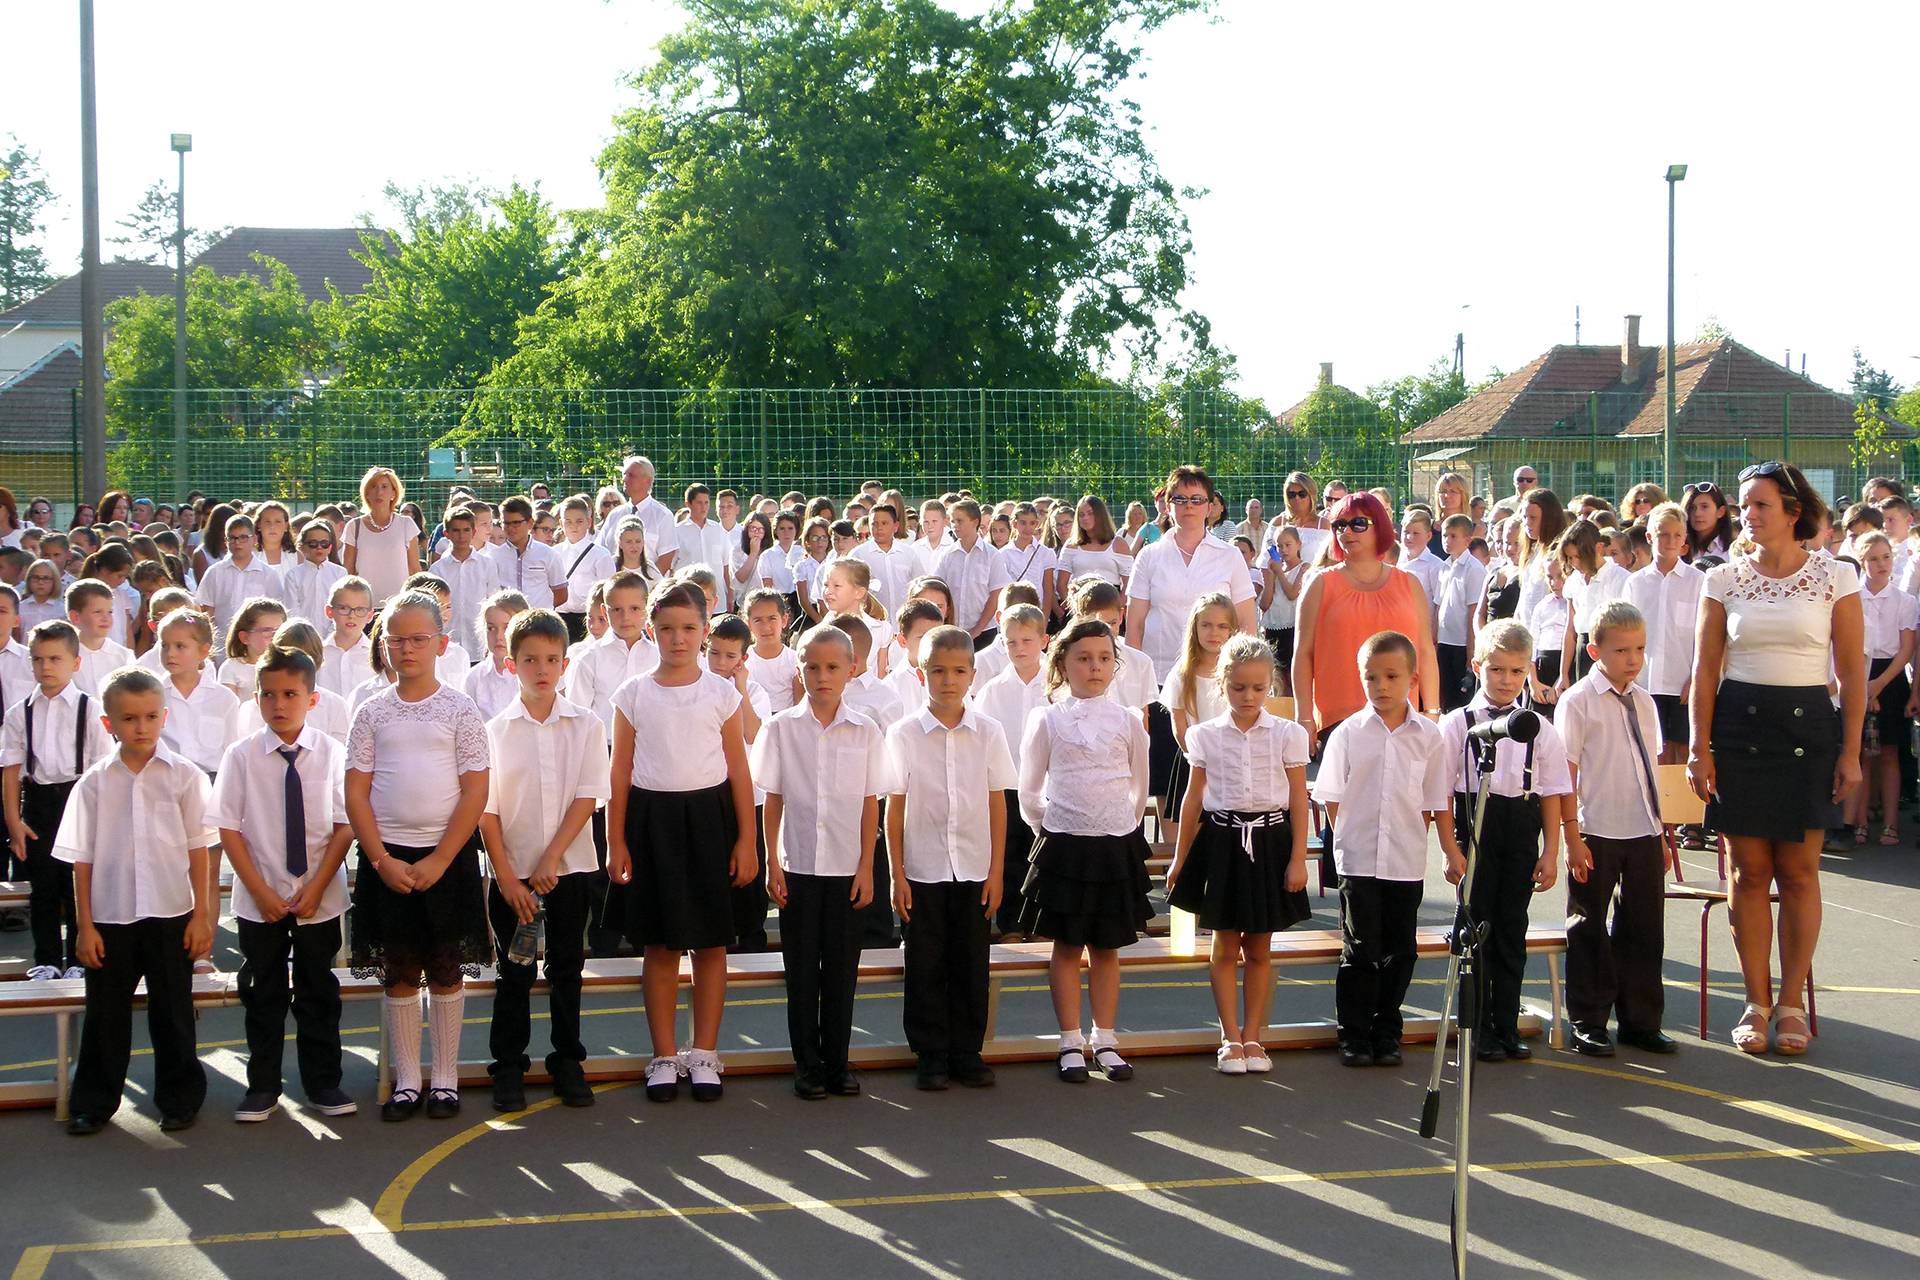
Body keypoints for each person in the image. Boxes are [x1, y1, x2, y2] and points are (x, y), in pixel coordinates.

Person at [1690, 462, 1862, 1057]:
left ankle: (1791, 1004)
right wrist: (1699, 749)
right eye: (1745, 505)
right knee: (1748, 872)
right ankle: (1755, 1002)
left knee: (1799, 873)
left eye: (1761, 504)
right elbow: (1704, 671)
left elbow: (1853, 671)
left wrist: (1851, 751)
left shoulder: (1836, 575)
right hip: (1739, 730)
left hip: (1809, 733)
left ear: (1793, 511)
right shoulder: (1722, 577)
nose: (1750, 515)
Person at [346, 590, 493, 1122]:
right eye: (396, 639)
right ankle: (408, 1079)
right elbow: (356, 793)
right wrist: (381, 860)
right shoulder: (371, 712)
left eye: (418, 639)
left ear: (441, 644)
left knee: (447, 970)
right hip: (388, 862)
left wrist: (440, 858)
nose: (406, 648)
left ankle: (445, 1077)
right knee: (400, 970)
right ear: (383, 644)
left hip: (445, 859)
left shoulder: (460, 709)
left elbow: (475, 790)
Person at [607, 579, 756, 1103]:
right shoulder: (632, 694)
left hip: (711, 823)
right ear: (652, 630)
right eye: (667, 628)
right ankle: (665, 1055)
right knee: (660, 945)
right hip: (652, 825)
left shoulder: (722, 693)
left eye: (689, 628)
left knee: (711, 943)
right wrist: (616, 841)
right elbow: (619, 771)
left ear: (705, 630)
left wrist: (747, 840)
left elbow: (739, 769)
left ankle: (705, 1053)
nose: (678, 638)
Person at [54, 666, 214, 1135]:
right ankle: (94, 1102)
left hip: (171, 913)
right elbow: (81, 860)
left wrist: (202, 916)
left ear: (164, 716)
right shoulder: (94, 783)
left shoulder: (185, 776)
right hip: (111, 916)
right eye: (128, 718)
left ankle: (180, 1100)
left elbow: (200, 850)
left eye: (149, 716)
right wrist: (85, 926)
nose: (141, 727)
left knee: (173, 1012)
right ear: (109, 723)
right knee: (105, 1015)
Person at [208, 645, 357, 1123]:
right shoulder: (241, 756)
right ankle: (262, 1087)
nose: (278, 704)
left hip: (319, 896)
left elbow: (345, 826)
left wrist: (316, 886)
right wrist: (259, 891)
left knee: (318, 993)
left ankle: (323, 1083)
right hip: (261, 898)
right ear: (255, 698)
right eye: (268, 694)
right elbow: (228, 828)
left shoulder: (332, 754)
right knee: (263, 994)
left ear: (312, 699)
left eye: (290, 694)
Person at [477, 609, 609, 1113]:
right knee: (514, 970)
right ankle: (509, 1065)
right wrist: (507, 878)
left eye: (552, 659)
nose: (541, 669)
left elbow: (587, 796)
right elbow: (487, 811)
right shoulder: (494, 731)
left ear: (565, 663)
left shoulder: (586, 724)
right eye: (530, 659)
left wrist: (552, 858)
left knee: (567, 967)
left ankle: (567, 1059)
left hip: (569, 870)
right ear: (512, 664)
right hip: (513, 877)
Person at [1312, 630, 1461, 1068]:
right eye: (1371, 677)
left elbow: (1437, 801)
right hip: (1358, 860)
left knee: (1401, 949)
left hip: (1405, 860)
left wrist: (1450, 851)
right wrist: (1348, 838)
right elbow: (1332, 796)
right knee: (1360, 948)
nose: (1381, 686)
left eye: (1392, 676)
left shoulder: (1429, 737)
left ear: (1412, 679)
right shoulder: (1347, 733)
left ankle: (1387, 1030)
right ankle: (1354, 1034)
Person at [1165, 634, 1312, 1075]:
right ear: (1221, 684)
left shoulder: (1287, 734)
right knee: (1225, 945)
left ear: (1271, 686)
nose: (1249, 696)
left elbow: (1299, 798)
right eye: (1238, 687)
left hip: (1271, 845)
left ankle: (1253, 1037)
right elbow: (1193, 799)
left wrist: (1298, 857)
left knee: (1260, 947)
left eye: (1259, 687)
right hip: (1222, 844)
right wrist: (1179, 858)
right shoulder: (1204, 735)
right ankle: (1229, 1037)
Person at [755, 624, 889, 1100]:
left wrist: (867, 867)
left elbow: (871, 803)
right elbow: (772, 798)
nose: (822, 676)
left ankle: (837, 1061)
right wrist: (772, 862)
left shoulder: (866, 730)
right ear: (800, 670)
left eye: (833, 667)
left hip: (847, 870)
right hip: (797, 869)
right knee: (801, 972)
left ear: (852, 670)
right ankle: (807, 1065)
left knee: (840, 972)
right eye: (812, 667)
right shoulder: (780, 728)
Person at [1017, 618, 1152, 1083]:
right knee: (1067, 945)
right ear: (1062, 664)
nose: (1095, 667)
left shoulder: (1129, 720)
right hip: (1065, 848)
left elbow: (1139, 787)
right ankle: (1069, 1041)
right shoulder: (1047, 719)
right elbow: (1029, 789)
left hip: (1115, 847)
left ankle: (1106, 1039)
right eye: (1083, 658)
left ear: (1115, 664)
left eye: (1104, 658)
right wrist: (1053, 828)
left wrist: (1120, 824)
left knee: (1107, 947)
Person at [885, 624, 1016, 1090]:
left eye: (959, 671)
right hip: (922, 869)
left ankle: (966, 1050)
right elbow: (894, 807)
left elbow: (997, 803)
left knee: (970, 962)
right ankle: (930, 1053)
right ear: (922, 674)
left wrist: (997, 871)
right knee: (925, 963)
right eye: (938, 671)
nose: (949, 680)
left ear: (973, 676)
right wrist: (896, 873)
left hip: (975, 867)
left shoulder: (989, 732)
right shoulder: (903, 734)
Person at [1441, 620, 1571, 1061]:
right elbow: (1439, 793)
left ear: (1528, 671)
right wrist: (1450, 850)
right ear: (1478, 666)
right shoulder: (1457, 724)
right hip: (1476, 827)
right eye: (1497, 669)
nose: (1506, 680)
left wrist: (1551, 852)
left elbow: (1552, 792)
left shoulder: (1541, 728)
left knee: (1513, 929)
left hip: (1521, 828)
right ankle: (1476, 1026)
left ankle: (1505, 1023)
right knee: (1475, 928)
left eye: (1516, 671)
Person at [1560, 600, 1673, 1058]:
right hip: (1597, 828)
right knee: (1588, 925)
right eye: (1622, 650)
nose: (1633, 659)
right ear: (1594, 651)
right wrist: (1571, 836)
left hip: (1643, 828)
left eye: (1640, 649)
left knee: (1644, 927)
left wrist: (1663, 833)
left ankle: (1641, 1021)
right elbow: (1564, 774)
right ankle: (1588, 1020)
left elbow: (1651, 771)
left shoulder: (1644, 701)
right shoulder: (1578, 701)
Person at [2, 620, 116, 980]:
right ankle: (47, 960)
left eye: (55, 659)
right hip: (37, 804)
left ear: (75, 663)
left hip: (78, 800)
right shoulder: (19, 712)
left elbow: (102, 770)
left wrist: (100, 821)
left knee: (76, 884)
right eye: (38, 659)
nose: (46, 667)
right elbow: (10, 770)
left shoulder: (90, 709)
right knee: (43, 887)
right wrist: (14, 822)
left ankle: (79, 960)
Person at [1292, 493, 1439, 745]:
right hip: (1339, 721)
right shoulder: (1319, 584)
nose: (1347, 532)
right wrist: (1304, 718)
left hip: (1402, 720)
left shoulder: (1410, 584)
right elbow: (1303, 653)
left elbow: (1425, 651)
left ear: (1379, 526)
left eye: (1358, 523)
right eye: (1339, 525)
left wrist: (1432, 711)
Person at [971, 603, 1050, 937]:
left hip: (1049, 789)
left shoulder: (1058, 686)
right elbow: (981, 740)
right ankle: (1012, 925)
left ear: (1044, 641)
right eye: (1011, 642)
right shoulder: (992, 690)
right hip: (1007, 788)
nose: (1019, 648)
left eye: (1027, 640)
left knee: (1045, 859)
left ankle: (1044, 925)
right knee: (1010, 857)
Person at [1625, 503, 1704, 766]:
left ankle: (1681, 794)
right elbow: (1626, 631)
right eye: (1663, 534)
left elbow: (1705, 636)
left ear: (1684, 540)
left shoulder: (1698, 581)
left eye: (1677, 535)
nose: (1670, 541)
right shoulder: (1636, 582)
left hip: (1683, 682)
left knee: (1683, 748)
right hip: (1646, 682)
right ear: (1650, 537)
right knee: (1654, 748)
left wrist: (1695, 678)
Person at [1852, 533, 1914, 846]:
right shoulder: (1851, 597)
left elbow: (1906, 650)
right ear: (1862, 562)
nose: (1882, 564)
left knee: (1890, 752)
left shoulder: (1905, 601)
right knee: (1862, 753)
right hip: (1858, 674)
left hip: (1890, 678)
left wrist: (1878, 685)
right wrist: (1865, 685)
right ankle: (1859, 822)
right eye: (1873, 559)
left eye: (1886, 557)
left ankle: (1891, 824)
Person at [155, 608, 240, 779]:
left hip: (212, 780)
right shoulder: (154, 696)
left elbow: (232, 749)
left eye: (180, 646)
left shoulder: (224, 698)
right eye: (164, 645)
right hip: (165, 778)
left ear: (203, 651)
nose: (170, 653)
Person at [931, 499, 1012, 649]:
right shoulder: (947, 555)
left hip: (984, 632)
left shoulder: (991, 555)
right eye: (953, 521)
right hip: (952, 629)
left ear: (975, 522)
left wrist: (977, 629)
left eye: (960, 521)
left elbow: (996, 594)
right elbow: (938, 589)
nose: (955, 526)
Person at [339, 467, 422, 607]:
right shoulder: (354, 526)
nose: (379, 492)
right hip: (364, 607)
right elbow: (348, 571)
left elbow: (414, 569)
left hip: (400, 607)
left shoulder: (406, 524)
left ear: (394, 493)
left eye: (384, 487)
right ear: (366, 493)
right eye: (373, 487)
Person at [194, 514, 282, 644]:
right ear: (226, 541)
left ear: (254, 540)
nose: (237, 543)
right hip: (221, 644)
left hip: (257, 645)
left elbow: (275, 613)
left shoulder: (268, 574)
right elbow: (207, 611)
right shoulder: (214, 572)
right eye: (232, 538)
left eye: (243, 537)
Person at [430, 506, 503, 661]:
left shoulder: (487, 565)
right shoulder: (437, 569)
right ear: (447, 534)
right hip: (448, 645)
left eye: (466, 530)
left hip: (479, 645)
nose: (461, 536)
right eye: (456, 530)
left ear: (473, 532)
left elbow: (493, 602)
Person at [1435, 514, 1488, 711]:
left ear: (1467, 540)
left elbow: (1474, 611)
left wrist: (1471, 650)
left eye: (1453, 536)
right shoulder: (1444, 566)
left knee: (1462, 697)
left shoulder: (1473, 568)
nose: (1447, 541)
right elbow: (1439, 605)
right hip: (1445, 640)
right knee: (1447, 693)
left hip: (1462, 643)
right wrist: (1434, 638)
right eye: (1445, 536)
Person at [596, 456, 679, 573]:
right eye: (624, 474)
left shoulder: (662, 515)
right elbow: (599, 552)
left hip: (648, 583)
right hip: (613, 582)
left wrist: (645, 581)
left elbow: (666, 560)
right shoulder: (615, 515)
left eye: (631, 475)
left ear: (647, 481)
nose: (624, 479)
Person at [554, 496, 614, 644]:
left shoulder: (600, 554)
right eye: (568, 522)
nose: (574, 526)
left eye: (579, 521)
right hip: (559, 616)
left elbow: (606, 592)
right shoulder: (554, 553)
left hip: (587, 618)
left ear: (589, 522)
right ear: (561, 524)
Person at [65, 580, 133, 697]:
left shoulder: (124, 656)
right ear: (75, 617)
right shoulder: (63, 655)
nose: (106, 618)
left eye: (110, 612)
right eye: (97, 612)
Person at [281, 519, 348, 632]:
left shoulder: (340, 573)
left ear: (330, 547)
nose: (319, 547)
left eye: (324, 544)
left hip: (334, 635)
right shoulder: (293, 575)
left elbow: (342, 607)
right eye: (313, 544)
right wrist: (304, 635)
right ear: (302, 547)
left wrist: (331, 635)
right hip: (302, 635)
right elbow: (292, 610)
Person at [219, 598, 289, 702]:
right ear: (245, 637)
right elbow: (227, 706)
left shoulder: (290, 665)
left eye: (280, 631)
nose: (274, 637)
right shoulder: (231, 668)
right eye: (267, 631)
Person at [316, 578, 375, 700]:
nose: (351, 616)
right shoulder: (317, 654)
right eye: (343, 608)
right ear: (329, 611)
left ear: (370, 616)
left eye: (360, 610)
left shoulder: (376, 656)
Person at [742, 589, 800, 712]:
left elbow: (799, 708)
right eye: (758, 620)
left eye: (772, 618)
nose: (766, 627)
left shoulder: (794, 661)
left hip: (786, 720)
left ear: (784, 620)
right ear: (749, 624)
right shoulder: (742, 661)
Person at [1683, 481, 1735, 561]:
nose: (1697, 513)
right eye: (1692, 508)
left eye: (1704, 507)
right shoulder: (1677, 547)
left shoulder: (1734, 551)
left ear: (1721, 511)